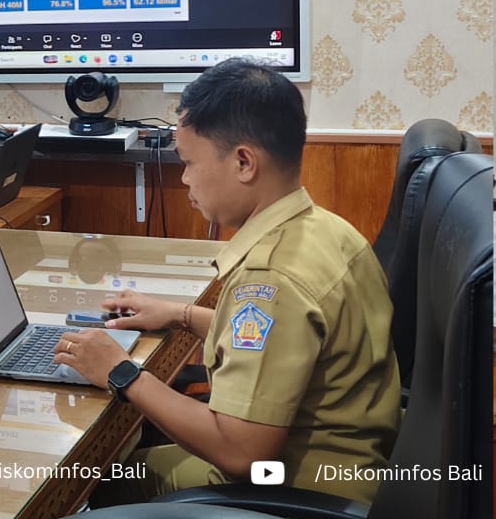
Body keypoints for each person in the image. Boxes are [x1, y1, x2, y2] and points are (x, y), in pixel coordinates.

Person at [58, 59, 401, 506]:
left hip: (297, 490)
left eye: (189, 163)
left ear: (243, 162)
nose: (184, 179)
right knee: (133, 455)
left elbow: (241, 454)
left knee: (100, 481)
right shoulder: (328, 230)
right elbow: (284, 342)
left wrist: (120, 372)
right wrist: (180, 314)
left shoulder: (271, 279)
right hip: (348, 462)